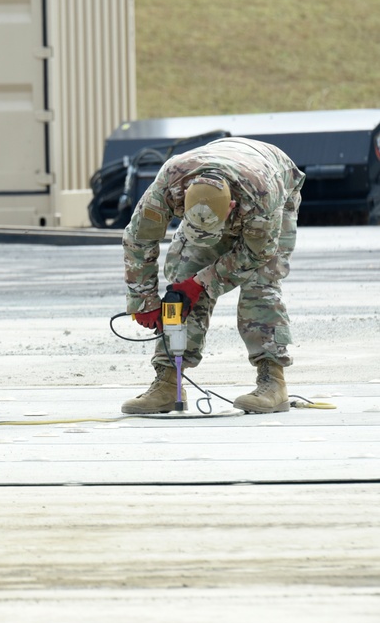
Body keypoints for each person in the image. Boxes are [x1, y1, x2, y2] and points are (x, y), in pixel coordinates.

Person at [121, 137, 305, 415]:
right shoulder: (170, 183)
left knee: (260, 287)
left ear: (230, 209)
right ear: (183, 202)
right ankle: (168, 380)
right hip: (225, 172)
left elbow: (255, 255)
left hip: (273, 179)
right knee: (181, 284)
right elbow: (138, 239)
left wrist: (202, 283)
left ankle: (273, 380)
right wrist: (143, 299)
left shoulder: (262, 199)